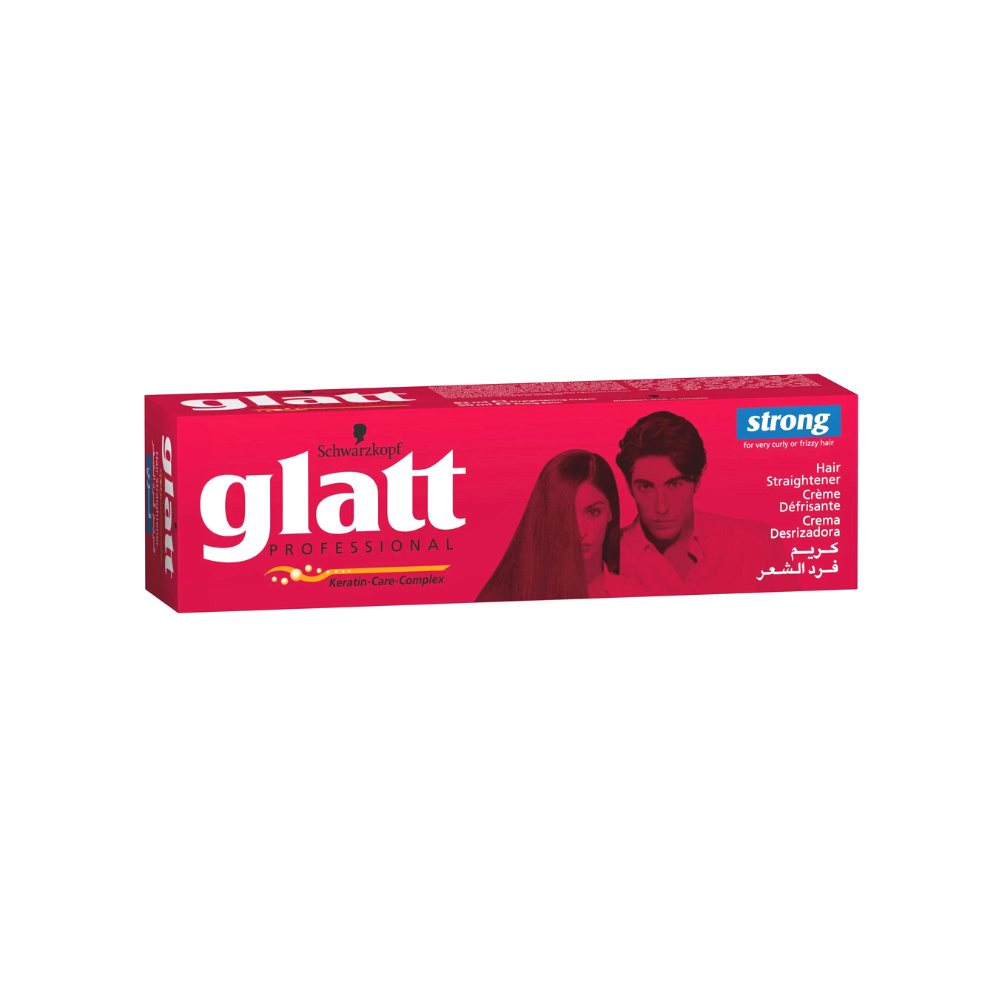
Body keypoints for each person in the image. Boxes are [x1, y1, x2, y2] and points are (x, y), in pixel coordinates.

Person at [615, 411, 791, 593]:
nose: (661, 508)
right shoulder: (605, 556)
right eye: (646, 487)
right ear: (629, 486)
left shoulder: (757, 544)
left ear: (697, 481)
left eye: (674, 485)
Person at [477, 450, 633, 602]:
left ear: (611, 512)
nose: (580, 531)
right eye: (565, 513)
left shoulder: (634, 595)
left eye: (593, 512)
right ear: (545, 515)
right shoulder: (503, 598)